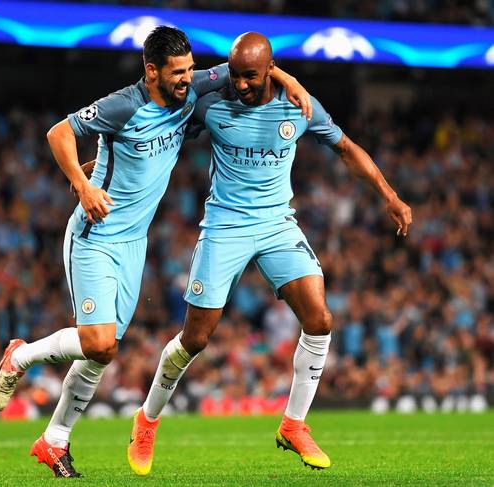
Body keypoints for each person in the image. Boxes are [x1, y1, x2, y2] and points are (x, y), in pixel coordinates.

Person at [0, 26, 312, 478]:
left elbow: (257, 68)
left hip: (134, 242)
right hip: (96, 235)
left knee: (103, 352)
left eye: (190, 69)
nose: (188, 79)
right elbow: (58, 132)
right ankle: (18, 355)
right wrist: (83, 186)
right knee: (98, 341)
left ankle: (54, 440)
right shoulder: (123, 105)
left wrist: (293, 84)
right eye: (177, 72)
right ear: (151, 71)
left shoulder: (193, 87)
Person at [127, 32, 412, 474]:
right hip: (225, 225)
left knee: (320, 318)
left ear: (270, 69)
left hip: (277, 223)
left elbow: (346, 148)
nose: (239, 84)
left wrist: (390, 195)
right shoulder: (211, 99)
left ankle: (293, 424)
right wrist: (112, 158)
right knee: (195, 339)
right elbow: (164, 114)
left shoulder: (299, 106)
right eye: (235, 74)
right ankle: (146, 420)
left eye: (251, 76)